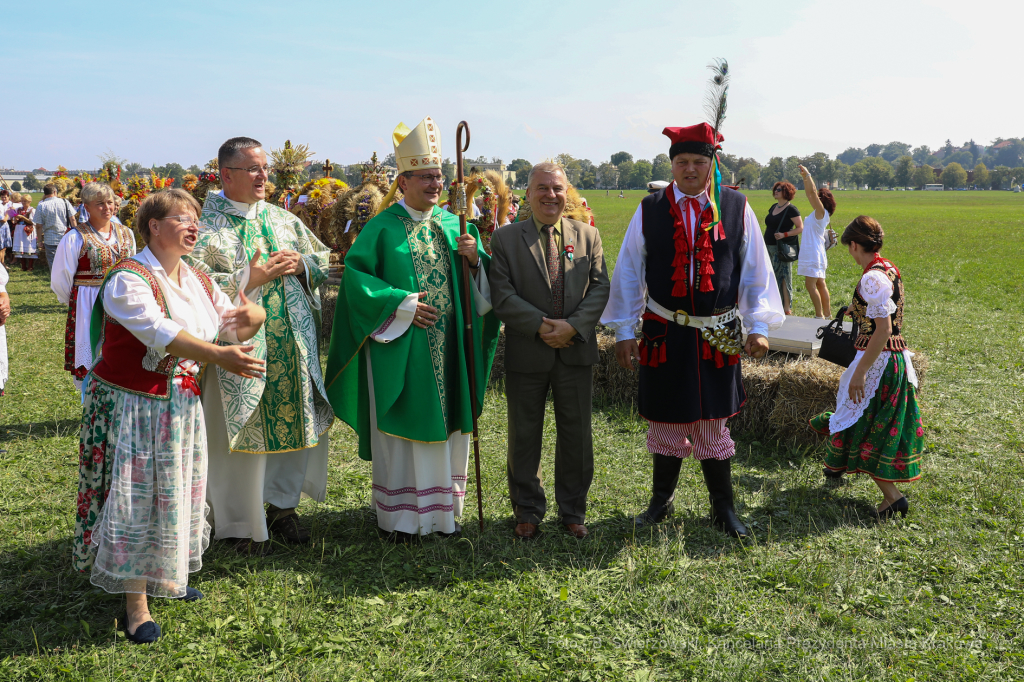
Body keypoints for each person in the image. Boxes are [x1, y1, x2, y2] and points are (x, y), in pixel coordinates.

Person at [76, 189, 266, 643]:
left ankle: (167, 575)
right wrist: (218, 355)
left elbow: (232, 324)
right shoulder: (128, 278)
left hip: (179, 402)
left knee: (177, 489)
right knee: (136, 499)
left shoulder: (197, 277)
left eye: (196, 217)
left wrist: (254, 307)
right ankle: (135, 606)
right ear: (154, 227)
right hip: (133, 405)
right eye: (182, 218)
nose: (193, 225)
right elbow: (159, 332)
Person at [601, 122, 785, 538]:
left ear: (711, 163)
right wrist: (624, 331)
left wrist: (758, 325)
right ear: (672, 165)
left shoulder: (735, 206)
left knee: (713, 420)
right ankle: (660, 502)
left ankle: (723, 507)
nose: (689, 169)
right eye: (681, 161)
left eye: (698, 161)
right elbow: (629, 270)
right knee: (666, 417)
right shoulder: (650, 208)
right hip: (664, 332)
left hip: (718, 334)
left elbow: (755, 269)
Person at [325, 117, 500, 542]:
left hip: (450, 349)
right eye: (425, 177)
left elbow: (484, 292)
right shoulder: (382, 227)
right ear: (403, 182)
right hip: (401, 348)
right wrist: (401, 305)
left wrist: (474, 260)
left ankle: (444, 514)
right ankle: (402, 519)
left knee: (450, 425)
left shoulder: (456, 225)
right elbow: (356, 284)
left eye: (438, 177)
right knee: (405, 428)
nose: (435, 184)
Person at [186, 136, 333, 555]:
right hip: (241, 351)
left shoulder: (283, 218)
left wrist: (303, 265)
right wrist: (249, 280)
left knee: (292, 426)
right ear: (226, 174)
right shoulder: (204, 225)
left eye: (264, 167)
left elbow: (322, 259)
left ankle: (282, 508)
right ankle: (237, 522)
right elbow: (189, 281)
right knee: (236, 436)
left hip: (292, 348)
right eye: (253, 168)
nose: (263, 176)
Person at [488, 162, 610, 540]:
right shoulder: (505, 239)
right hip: (528, 351)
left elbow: (600, 288)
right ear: (528, 193)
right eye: (542, 188)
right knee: (524, 435)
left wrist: (572, 327)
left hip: (575, 351)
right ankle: (527, 510)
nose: (550, 195)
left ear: (566, 192)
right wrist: (543, 327)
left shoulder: (588, 235)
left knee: (577, 435)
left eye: (557, 188)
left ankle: (573, 511)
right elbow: (502, 295)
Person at [810, 216, 923, 518]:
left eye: (849, 247)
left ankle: (893, 498)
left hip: (878, 361)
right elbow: (883, 312)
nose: (850, 253)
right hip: (892, 358)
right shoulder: (887, 268)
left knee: (866, 426)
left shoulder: (871, 278)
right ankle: (837, 464)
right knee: (864, 419)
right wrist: (857, 311)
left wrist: (860, 372)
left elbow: (883, 329)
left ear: (854, 245)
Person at [51, 182, 136, 389]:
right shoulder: (75, 237)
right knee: (91, 347)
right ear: (86, 207)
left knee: (123, 346)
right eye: (100, 203)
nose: (107, 207)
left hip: (123, 299)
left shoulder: (126, 233)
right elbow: (61, 278)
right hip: (88, 302)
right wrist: (76, 302)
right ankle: (91, 391)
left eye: (110, 202)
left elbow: (134, 266)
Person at [795, 166, 836, 319]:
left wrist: (808, 175)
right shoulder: (821, 213)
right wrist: (805, 178)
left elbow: (810, 193)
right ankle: (827, 314)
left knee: (810, 285)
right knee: (820, 284)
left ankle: (819, 316)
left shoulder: (821, 212)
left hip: (813, 253)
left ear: (822, 200)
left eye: (819, 196)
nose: (815, 198)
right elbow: (810, 193)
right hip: (817, 252)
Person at [764, 181, 803, 315]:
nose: (776, 191)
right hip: (768, 247)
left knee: (784, 277)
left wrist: (784, 234)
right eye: (775, 189)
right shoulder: (773, 207)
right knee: (772, 276)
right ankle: (775, 304)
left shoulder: (791, 209)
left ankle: (786, 308)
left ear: (786, 192)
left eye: (779, 190)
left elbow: (800, 228)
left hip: (781, 249)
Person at [33, 183, 77, 271]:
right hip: (65, 237)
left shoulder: (41, 205)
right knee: (67, 262)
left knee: (53, 264)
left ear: (45, 193)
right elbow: (72, 219)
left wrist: (40, 241)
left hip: (50, 239)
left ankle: (56, 278)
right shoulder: (65, 202)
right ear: (55, 192)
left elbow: (38, 225)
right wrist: (76, 234)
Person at [12, 195, 37, 271]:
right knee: (20, 246)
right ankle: (23, 266)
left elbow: (32, 222)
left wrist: (23, 217)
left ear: (29, 201)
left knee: (29, 245)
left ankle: (30, 266)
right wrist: (15, 219)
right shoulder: (18, 209)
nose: (23, 202)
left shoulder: (32, 210)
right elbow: (13, 221)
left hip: (28, 229)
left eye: (25, 201)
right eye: (22, 201)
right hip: (19, 229)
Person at [0, 189, 13, 265]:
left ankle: (3, 263)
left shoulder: (10, 204)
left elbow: (13, 215)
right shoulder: (0, 205)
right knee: (1, 247)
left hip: (7, 225)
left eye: (5, 197)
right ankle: (1, 264)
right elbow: (4, 219)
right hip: (1, 225)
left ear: (8, 197)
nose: (4, 198)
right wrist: (8, 212)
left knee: (4, 247)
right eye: (2, 197)